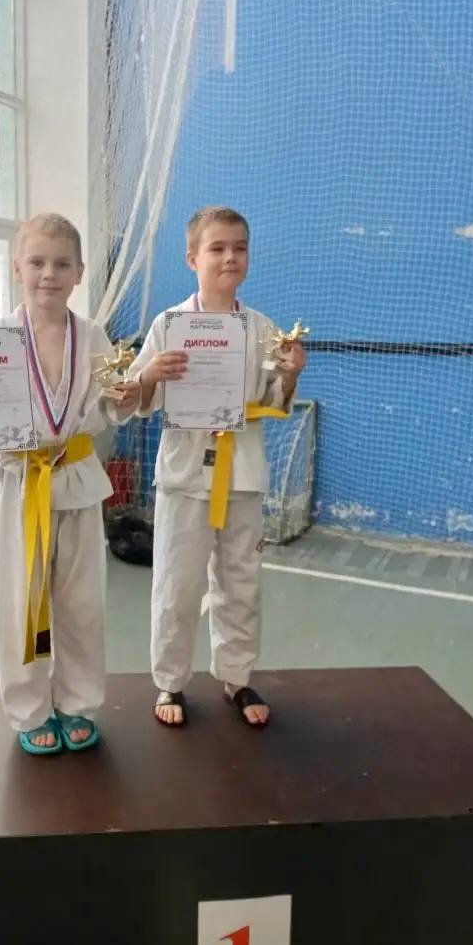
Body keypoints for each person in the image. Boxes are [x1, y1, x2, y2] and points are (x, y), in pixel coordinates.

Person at [0, 213, 139, 754]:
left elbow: (107, 408)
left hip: (79, 481)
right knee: (23, 603)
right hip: (23, 485)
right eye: (37, 262)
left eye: (62, 264)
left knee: (82, 603)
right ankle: (29, 709)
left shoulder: (93, 336)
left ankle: (78, 703)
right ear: (17, 266)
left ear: (79, 273)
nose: (48, 274)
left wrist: (125, 400)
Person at [127, 206, 306, 728]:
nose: (230, 257)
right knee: (176, 586)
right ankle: (170, 681)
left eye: (239, 248)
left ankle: (236, 675)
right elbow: (134, 398)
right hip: (185, 476)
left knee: (240, 582)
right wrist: (151, 375)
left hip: (243, 473)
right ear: (192, 258)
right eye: (217, 248)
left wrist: (292, 373)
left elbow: (274, 401)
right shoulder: (168, 325)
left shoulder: (263, 329)